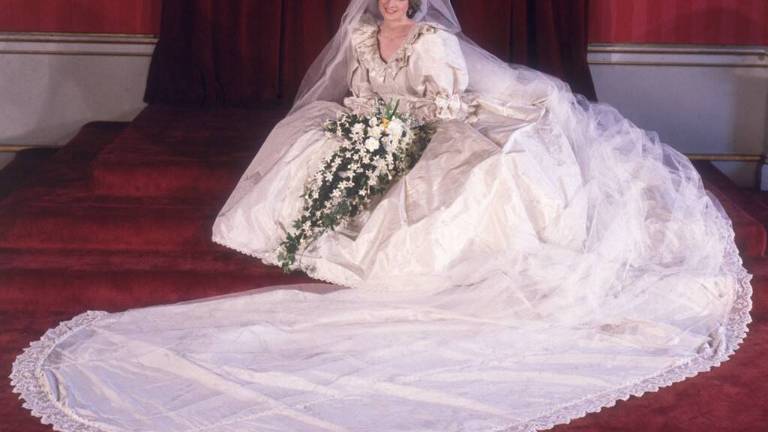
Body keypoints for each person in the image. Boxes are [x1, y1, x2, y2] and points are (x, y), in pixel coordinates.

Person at [11, 0, 753, 431]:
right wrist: (366, 123)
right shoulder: (366, 38)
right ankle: (309, 232)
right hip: (388, 121)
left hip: (443, 117)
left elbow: (445, 102)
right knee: (310, 137)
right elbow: (363, 89)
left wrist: (396, 129)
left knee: (462, 174)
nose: (393, 4)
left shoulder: (433, 40)